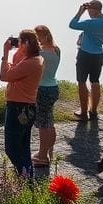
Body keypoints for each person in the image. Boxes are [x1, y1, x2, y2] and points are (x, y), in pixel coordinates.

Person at [1, 29, 45, 176]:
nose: (17, 45)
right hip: (28, 107)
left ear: (26, 43)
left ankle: (24, 175)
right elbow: (16, 65)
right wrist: (20, 50)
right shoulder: (36, 59)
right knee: (24, 146)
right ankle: (28, 178)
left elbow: (4, 76)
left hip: (18, 109)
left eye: (20, 42)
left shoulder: (30, 63)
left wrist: (5, 54)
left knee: (12, 148)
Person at [69, 0, 103, 120]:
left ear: (94, 10)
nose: (88, 12)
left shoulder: (91, 22)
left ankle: (83, 113)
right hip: (98, 54)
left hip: (85, 54)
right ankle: (93, 111)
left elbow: (72, 24)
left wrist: (79, 12)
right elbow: (92, 33)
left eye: (89, 10)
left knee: (81, 82)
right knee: (95, 81)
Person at [32, 25, 61, 167]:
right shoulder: (56, 50)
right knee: (49, 121)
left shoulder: (40, 53)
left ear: (43, 37)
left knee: (43, 124)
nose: (35, 40)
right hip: (53, 87)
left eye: (37, 37)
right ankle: (49, 151)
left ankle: (42, 156)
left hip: (42, 89)